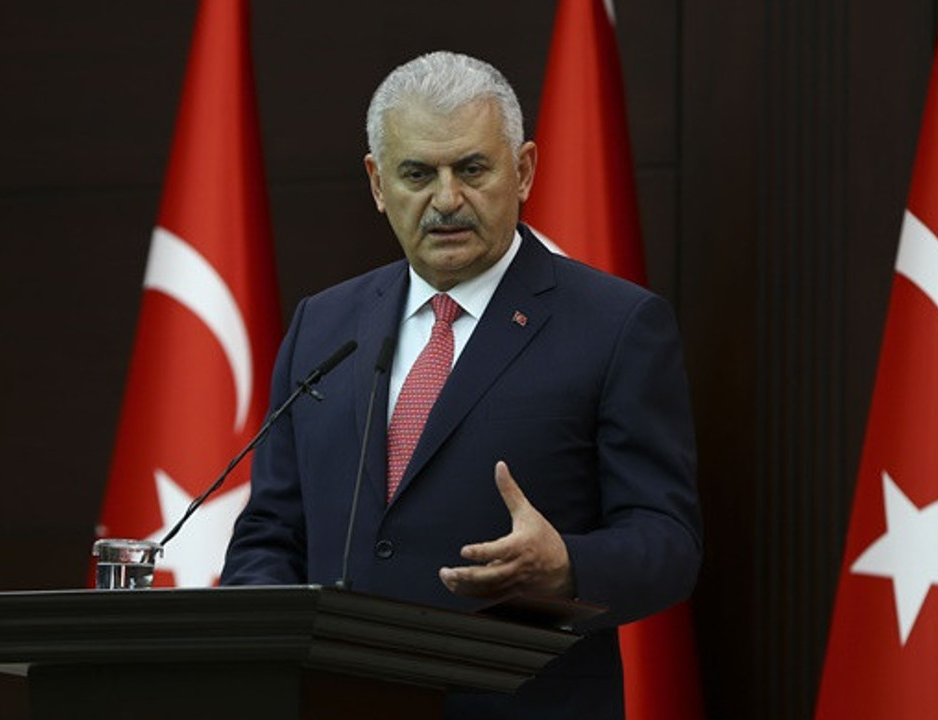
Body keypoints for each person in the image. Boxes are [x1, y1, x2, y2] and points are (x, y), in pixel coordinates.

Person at [221, 50, 701, 720]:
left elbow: (668, 542)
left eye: (472, 169)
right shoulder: (323, 325)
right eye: (418, 173)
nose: (446, 200)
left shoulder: (616, 325)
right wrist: (268, 640)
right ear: (378, 183)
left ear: (523, 170)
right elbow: (270, 531)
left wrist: (567, 565)